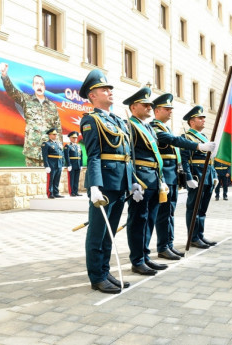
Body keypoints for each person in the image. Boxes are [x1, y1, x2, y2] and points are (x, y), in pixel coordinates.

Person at [79, 69, 134, 294]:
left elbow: (126, 154)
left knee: (110, 232)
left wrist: (133, 181)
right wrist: (93, 185)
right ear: (93, 96)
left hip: (120, 183)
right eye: (104, 89)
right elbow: (93, 155)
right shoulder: (91, 120)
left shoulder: (118, 121)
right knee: (97, 232)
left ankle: (105, 271)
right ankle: (96, 277)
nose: (109, 92)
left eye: (110, 88)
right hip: (104, 184)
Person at [150, 93, 216, 260]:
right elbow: (183, 154)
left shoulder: (166, 128)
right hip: (171, 174)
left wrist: (213, 173)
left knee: (173, 213)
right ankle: (169, 244)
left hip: (174, 174)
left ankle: (171, 244)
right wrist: (188, 176)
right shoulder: (156, 128)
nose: (171, 111)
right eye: (167, 109)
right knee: (170, 213)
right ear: (157, 111)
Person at [123, 87, 168, 275]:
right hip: (141, 180)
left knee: (149, 220)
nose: (150, 107)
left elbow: (156, 155)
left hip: (154, 178)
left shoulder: (148, 126)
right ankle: (137, 260)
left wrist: (162, 179)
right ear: (134, 107)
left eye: (151, 105)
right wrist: (133, 182)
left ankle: (146, 256)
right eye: (146, 104)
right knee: (138, 221)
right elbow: (128, 155)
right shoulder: (130, 126)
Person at [0, 62, 62, 167]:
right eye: (36, 83)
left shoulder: (52, 106)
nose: (39, 86)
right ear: (33, 86)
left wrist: (59, 151)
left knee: (49, 182)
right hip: (32, 153)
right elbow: (12, 92)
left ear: (44, 87)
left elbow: (58, 129)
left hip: (49, 153)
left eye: (41, 84)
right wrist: (5, 76)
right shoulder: (26, 100)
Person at [180, 105, 218, 249]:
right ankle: (193, 237)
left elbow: (210, 159)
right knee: (193, 208)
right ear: (191, 122)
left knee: (202, 209)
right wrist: (189, 177)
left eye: (203, 118)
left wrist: (213, 174)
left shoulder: (205, 137)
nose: (203, 120)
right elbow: (184, 159)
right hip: (197, 175)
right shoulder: (187, 137)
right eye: (200, 118)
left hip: (207, 175)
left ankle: (199, 235)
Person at [41, 128, 64, 198]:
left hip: (59, 164)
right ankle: (50, 193)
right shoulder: (46, 144)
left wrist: (62, 164)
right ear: (49, 135)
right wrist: (46, 165)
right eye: (54, 134)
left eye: (56, 134)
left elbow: (61, 154)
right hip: (51, 164)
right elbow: (45, 156)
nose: (55, 136)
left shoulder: (58, 143)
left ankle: (56, 192)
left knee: (57, 179)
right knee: (51, 179)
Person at [64, 131, 83, 196]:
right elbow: (67, 156)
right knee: (71, 179)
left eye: (76, 138)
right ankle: (71, 192)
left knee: (76, 179)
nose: (75, 139)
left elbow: (81, 156)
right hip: (72, 164)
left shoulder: (78, 146)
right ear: (70, 138)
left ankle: (76, 191)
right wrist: (68, 164)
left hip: (77, 164)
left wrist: (81, 164)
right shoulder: (68, 146)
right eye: (73, 138)